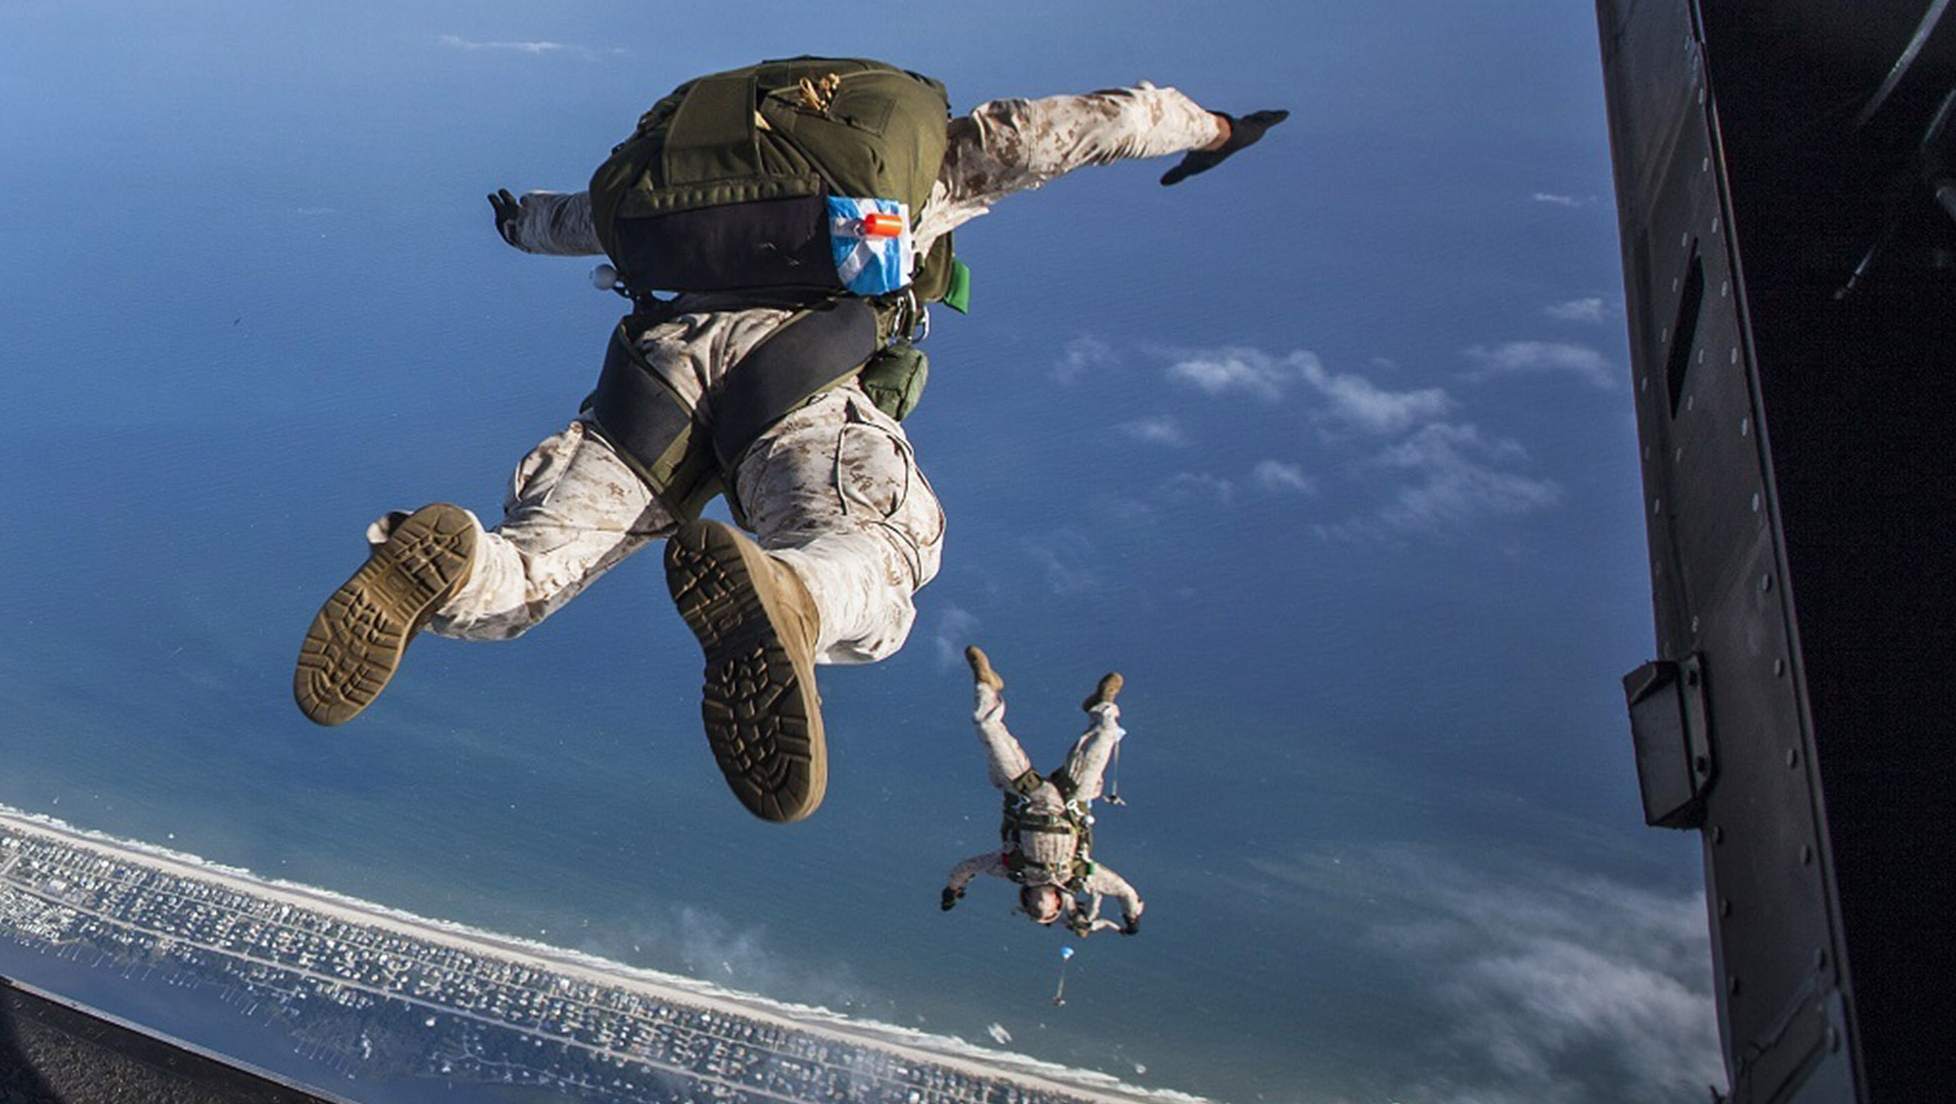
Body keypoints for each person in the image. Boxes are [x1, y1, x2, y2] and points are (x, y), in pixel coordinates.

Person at [292, 62, 1280, 824]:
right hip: (796, 371)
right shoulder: (937, 163)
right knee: (882, 560)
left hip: (656, 370)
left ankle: (462, 560)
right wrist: (1214, 129)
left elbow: (582, 223)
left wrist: (518, 228)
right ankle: (798, 599)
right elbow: (1103, 124)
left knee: (526, 585)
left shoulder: (690, 191)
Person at [939, 645, 1142, 936]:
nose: (1039, 899)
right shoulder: (1081, 874)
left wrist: (952, 890)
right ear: (1059, 901)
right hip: (1071, 798)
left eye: (1033, 902)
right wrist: (1131, 917)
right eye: (1046, 905)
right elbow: (1124, 891)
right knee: (1106, 735)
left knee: (986, 726)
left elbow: (966, 867)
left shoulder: (1008, 866)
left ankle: (986, 683)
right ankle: (1103, 703)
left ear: (1024, 896)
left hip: (1026, 794)